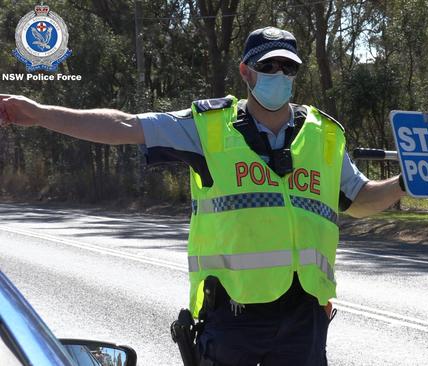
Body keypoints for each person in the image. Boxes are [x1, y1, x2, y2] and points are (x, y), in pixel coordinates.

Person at [0, 26, 406, 365]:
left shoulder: (324, 136)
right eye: (269, 66)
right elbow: (124, 126)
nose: (279, 74)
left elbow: (361, 199)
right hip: (233, 319)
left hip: (306, 319)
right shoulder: (207, 127)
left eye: (288, 67)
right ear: (246, 72)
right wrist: (38, 113)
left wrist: (406, 183)